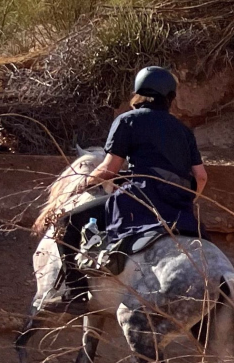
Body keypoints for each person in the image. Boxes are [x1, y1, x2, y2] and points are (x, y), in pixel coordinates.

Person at [51, 65, 206, 308]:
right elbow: (201, 176)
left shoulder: (128, 121)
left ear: (137, 93)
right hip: (178, 210)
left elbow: (109, 169)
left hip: (138, 202)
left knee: (67, 223)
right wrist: (184, 199)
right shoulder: (183, 131)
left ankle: (76, 294)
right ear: (170, 98)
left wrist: (82, 184)